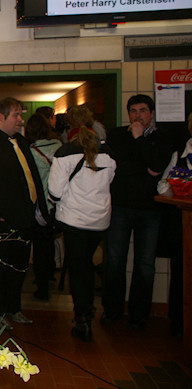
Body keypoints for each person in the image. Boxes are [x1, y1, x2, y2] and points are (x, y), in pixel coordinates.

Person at [0, 97, 48, 328]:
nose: (20, 120)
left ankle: (14, 308)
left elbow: (31, 177)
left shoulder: (21, 142)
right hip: (0, 223)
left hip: (24, 219)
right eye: (16, 115)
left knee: (19, 268)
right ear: (0, 117)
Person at [102, 94, 174, 329]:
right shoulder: (116, 135)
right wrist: (142, 165)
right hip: (120, 206)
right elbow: (117, 167)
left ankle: (139, 314)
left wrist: (140, 139)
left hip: (150, 209)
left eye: (143, 111)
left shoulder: (162, 137)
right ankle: (112, 311)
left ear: (151, 113)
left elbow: (156, 168)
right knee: (114, 260)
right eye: (133, 111)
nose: (138, 116)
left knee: (145, 263)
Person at [48, 105, 116, 342]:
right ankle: (89, 307)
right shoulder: (107, 152)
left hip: (74, 220)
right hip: (100, 221)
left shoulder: (65, 152)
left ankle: (82, 319)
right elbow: (110, 182)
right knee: (88, 265)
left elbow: (55, 192)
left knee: (78, 270)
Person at [156, 112, 191, 338]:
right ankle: (180, 323)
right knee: (181, 273)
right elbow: (162, 184)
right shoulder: (180, 155)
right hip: (183, 227)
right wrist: (174, 190)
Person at [26, 113, 62, 301]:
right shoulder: (59, 148)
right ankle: (49, 277)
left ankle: (42, 288)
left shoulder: (30, 152)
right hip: (55, 205)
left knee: (38, 247)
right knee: (48, 245)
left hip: (38, 205)